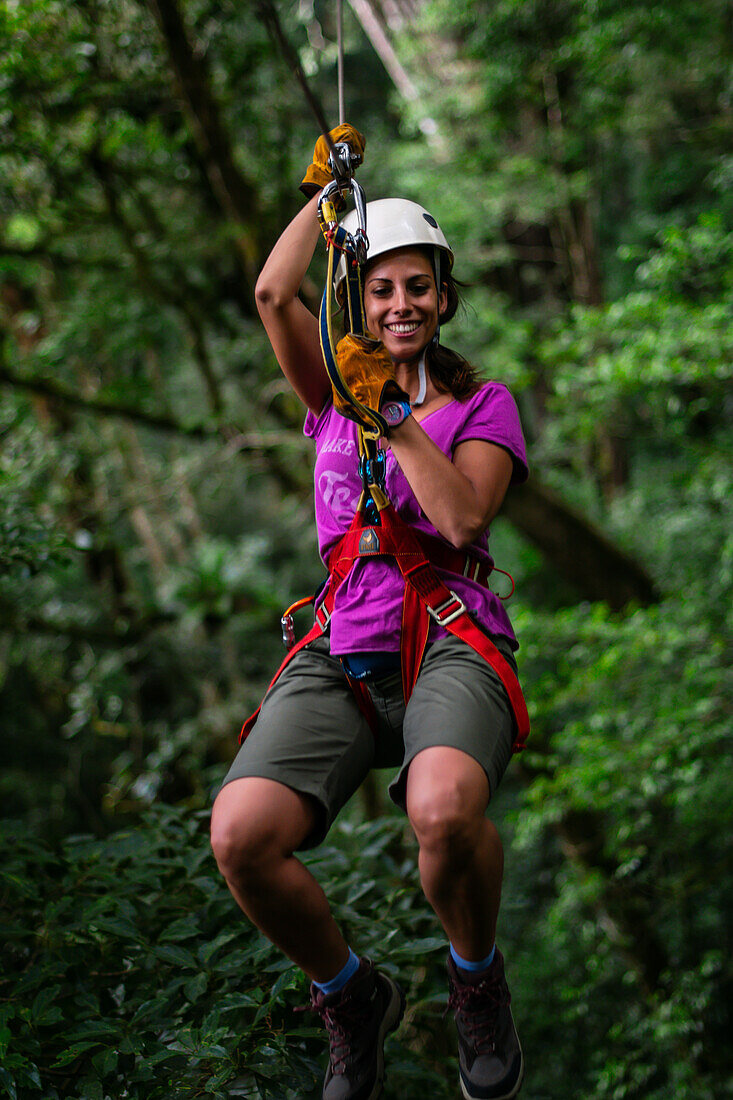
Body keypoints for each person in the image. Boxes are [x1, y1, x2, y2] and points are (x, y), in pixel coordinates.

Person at [210, 125, 528, 1100]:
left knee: (442, 807)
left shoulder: (482, 405)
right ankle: (350, 994)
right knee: (241, 833)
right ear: (362, 297)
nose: (399, 304)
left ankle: (473, 977)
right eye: (380, 287)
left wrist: (388, 411)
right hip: (342, 646)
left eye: (417, 286)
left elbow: (463, 513)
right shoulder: (329, 393)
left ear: (442, 297)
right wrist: (326, 199)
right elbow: (271, 294)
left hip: (446, 637)